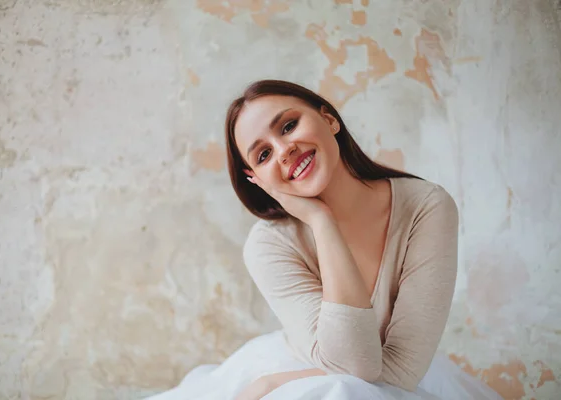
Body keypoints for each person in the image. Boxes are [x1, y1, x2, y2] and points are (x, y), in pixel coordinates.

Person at [144, 80, 503, 400]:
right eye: (264, 154)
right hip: (298, 367)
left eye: (288, 126)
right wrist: (320, 220)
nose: (284, 149)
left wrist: (276, 384)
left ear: (329, 119)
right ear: (257, 178)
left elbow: (396, 371)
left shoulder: (426, 206)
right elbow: (352, 365)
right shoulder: (268, 244)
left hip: (387, 379)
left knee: (344, 389)